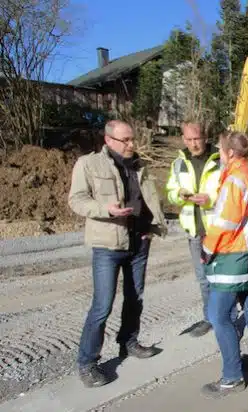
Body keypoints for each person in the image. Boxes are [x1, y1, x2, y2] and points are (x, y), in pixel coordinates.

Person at [68, 120, 167, 388]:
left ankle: (128, 342)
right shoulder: (88, 165)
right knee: (102, 306)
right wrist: (105, 209)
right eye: (126, 140)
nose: (132, 145)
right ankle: (87, 363)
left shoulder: (140, 164)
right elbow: (76, 200)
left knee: (135, 298)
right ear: (109, 140)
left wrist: (154, 226)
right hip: (108, 245)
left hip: (139, 242)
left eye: (132, 139)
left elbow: (150, 198)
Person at [200, 131, 248, 398]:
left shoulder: (234, 181)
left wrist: (207, 250)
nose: (218, 153)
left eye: (219, 149)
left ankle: (232, 377)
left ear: (230, 153)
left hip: (234, 259)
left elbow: (223, 225)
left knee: (218, 316)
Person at [165, 122, 237, 337]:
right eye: (188, 139)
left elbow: (231, 190)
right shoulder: (179, 163)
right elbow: (169, 191)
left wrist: (210, 199)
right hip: (194, 230)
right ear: (182, 138)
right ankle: (210, 318)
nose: (193, 144)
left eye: (196, 139)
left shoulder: (220, 159)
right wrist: (179, 195)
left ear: (205, 137)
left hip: (218, 229)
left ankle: (230, 319)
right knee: (204, 279)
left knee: (224, 278)